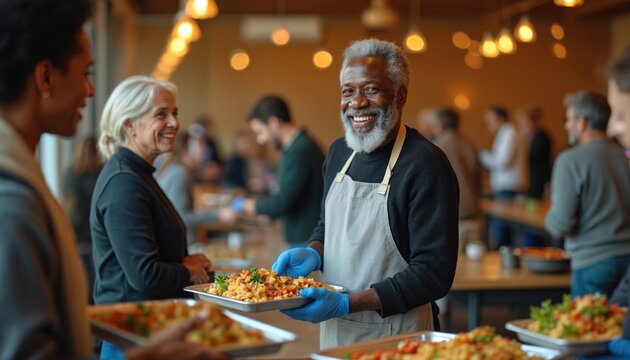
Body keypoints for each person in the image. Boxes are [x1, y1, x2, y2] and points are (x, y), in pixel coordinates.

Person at [0, 1, 225, 359]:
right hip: (129, 336)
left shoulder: (133, 175)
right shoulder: (16, 199)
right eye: (86, 73)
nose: (91, 91)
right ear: (45, 77)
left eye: (174, 113)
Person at [272, 39, 459, 348]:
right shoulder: (338, 152)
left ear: (400, 97)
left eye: (371, 89)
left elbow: (433, 273)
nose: (357, 103)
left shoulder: (426, 165)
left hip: (400, 337)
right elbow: (326, 225)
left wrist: (348, 303)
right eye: (348, 91)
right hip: (337, 332)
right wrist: (315, 250)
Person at [91, 76, 216, 356]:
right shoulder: (123, 183)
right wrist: (188, 269)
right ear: (129, 125)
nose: (174, 122)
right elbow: (145, 275)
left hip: (150, 330)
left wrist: (188, 262)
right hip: (131, 336)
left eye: (175, 113)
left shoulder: (139, 174)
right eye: (161, 114)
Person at [545, 91, 630, 298]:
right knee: (620, 328)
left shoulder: (569, 161)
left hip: (592, 261)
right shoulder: (624, 157)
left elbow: (561, 224)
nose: (566, 126)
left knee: (589, 327)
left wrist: (549, 219)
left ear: (582, 122)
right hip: (627, 259)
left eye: (568, 119)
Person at [229, 95, 325, 247]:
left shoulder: (300, 150)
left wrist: (246, 205)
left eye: (260, 131)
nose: (261, 140)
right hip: (303, 236)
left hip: (305, 239)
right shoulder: (295, 147)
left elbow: (283, 202)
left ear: (274, 122)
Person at [156, 133, 236, 245]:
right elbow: (181, 216)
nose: (204, 151)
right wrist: (217, 215)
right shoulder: (181, 174)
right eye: (200, 146)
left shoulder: (178, 169)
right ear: (185, 151)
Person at [425, 107, 482, 250]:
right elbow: (478, 177)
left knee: (458, 266)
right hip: (473, 212)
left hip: (453, 214)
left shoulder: (437, 146)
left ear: (439, 124)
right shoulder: (468, 143)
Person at [61, 135, 103, 302]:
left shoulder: (70, 174)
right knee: (94, 289)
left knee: (79, 290)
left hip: (77, 239)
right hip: (94, 239)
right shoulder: (100, 174)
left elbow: (69, 208)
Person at [479, 106, 528, 248]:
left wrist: (480, 155)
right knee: (503, 231)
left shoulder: (509, 132)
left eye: (490, 120)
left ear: (500, 118)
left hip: (509, 188)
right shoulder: (507, 132)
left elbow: (502, 162)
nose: (488, 124)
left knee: (502, 232)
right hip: (507, 187)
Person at [515, 106, 551, 199]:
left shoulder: (541, 136)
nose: (520, 124)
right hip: (528, 178)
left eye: (522, 120)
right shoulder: (530, 136)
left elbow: (534, 157)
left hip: (537, 179)